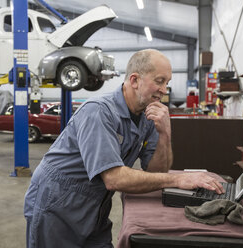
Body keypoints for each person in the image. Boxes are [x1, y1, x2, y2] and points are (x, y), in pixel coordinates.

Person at [24, 49, 224, 248]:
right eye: (160, 80)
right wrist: (180, 179)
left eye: (167, 83)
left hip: (96, 207)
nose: (164, 90)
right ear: (135, 80)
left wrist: (165, 134)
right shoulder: (99, 111)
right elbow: (114, 179)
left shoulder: (147, 116)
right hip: (57, 203)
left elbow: (156, 172)